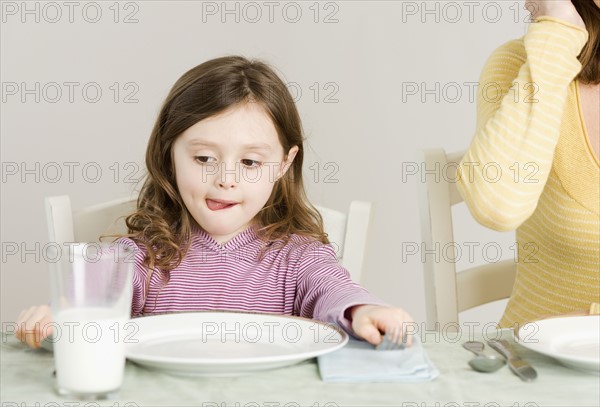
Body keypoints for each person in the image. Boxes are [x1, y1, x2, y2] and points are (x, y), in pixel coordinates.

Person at [16, 56, 413, 349]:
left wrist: (362, 311)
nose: (225, 178)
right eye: (204, 158)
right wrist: (62, 314)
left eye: (250, 162)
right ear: (169, 154)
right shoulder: (140, 256)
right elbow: (90, 301)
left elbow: (335, 292)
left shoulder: (300, 258)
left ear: (283, 164)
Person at [457, 0, 599, 328]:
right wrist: (558, 31)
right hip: (537, 369)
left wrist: (589, 319)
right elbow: (496, 205)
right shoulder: (528, 60)